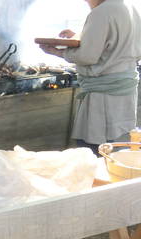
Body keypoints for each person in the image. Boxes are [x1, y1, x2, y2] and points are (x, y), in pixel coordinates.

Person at [39, 0, 141, 154]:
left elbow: (88, 56)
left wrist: (58, 52)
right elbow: (113, 41)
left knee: (95, 146)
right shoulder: (129, 6)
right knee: (121, 142)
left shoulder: (101, 12)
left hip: (103, 92)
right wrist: (79, 36)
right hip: (125, 88)